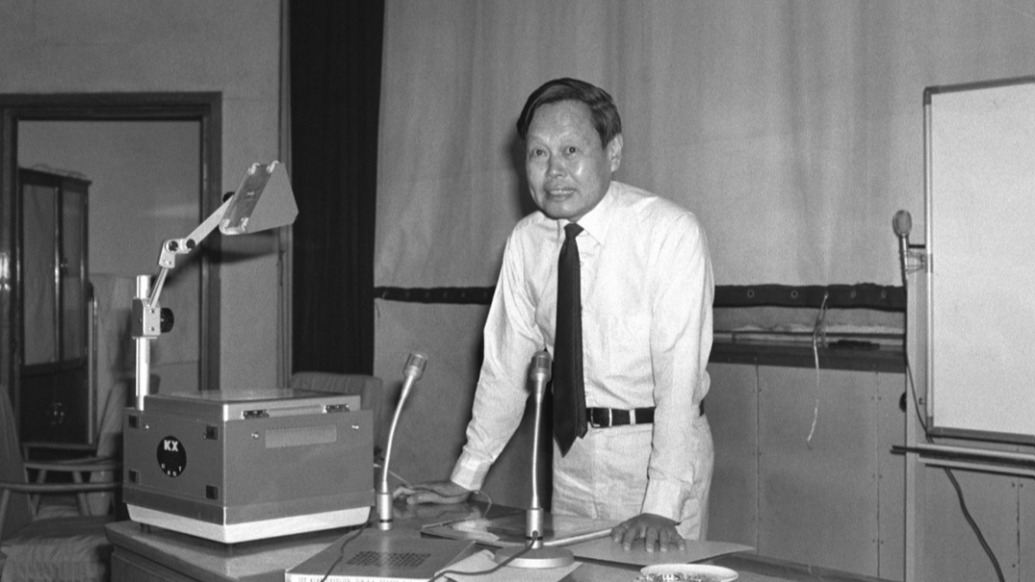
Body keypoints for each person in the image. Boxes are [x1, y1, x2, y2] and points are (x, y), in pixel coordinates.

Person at [396, 77, 714, 553]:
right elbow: (505, 369)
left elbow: (678, 379)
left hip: (656, 457)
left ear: (613, 152)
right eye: (539, 153)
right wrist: (467, 475)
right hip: (571, 459)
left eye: (570, 150)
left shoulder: (669, 233)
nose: (554, 171)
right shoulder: (526, 242)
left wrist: (663, 505)